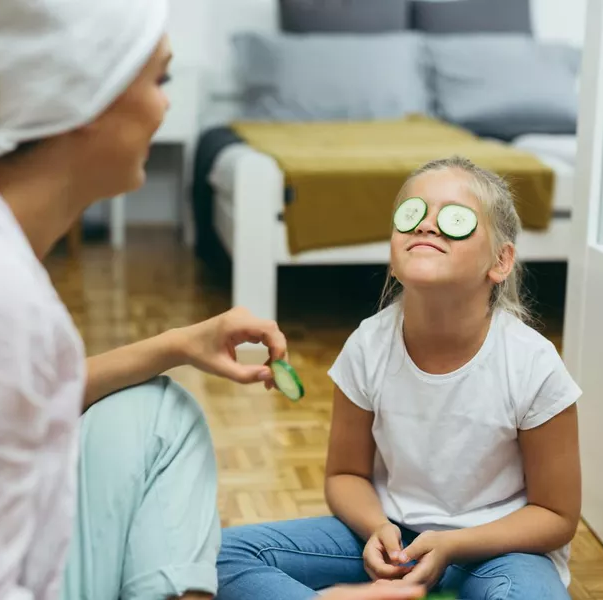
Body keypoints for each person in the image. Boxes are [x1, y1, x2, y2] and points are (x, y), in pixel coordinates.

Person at [0, 2, 428, 600]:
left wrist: (180, 344)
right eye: (159, 79)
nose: (166, 105)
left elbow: (9, 402)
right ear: (84, 104)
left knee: (158, 416)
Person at [215, 156, 583, 600]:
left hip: (494, 551)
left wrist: (454, 544)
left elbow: (556, 514)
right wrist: (377, 529)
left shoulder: (533, 364)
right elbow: (345, 475)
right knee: (220, 555)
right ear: (392, 257)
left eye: (455, 218)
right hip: (393, 536)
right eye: (411, 216)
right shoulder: (368, 345)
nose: (426, 227)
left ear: (500, 262)